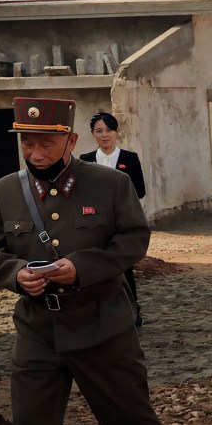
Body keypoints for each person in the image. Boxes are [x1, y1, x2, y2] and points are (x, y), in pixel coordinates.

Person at [0, 97, 172, 425]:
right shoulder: (6, 190)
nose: (35, 152)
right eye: (27, 142)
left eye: (45, 141)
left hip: (102, 323)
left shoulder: (110, 184)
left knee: (129, 414)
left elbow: (133, 240)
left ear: (70, 140)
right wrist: (15, 275)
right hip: (37, 329)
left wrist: (81, 267)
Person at [79, 111, 147, 327]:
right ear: (93, 134)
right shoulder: (86, 161)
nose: (105, 135)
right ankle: (100, 314)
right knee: (96, 268)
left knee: (124, 267)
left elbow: (140, 190)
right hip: (95, 224)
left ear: (117, 132)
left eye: (109, 130)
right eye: (99, 131)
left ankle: (132, 311)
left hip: (122, 222)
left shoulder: (129, 158)